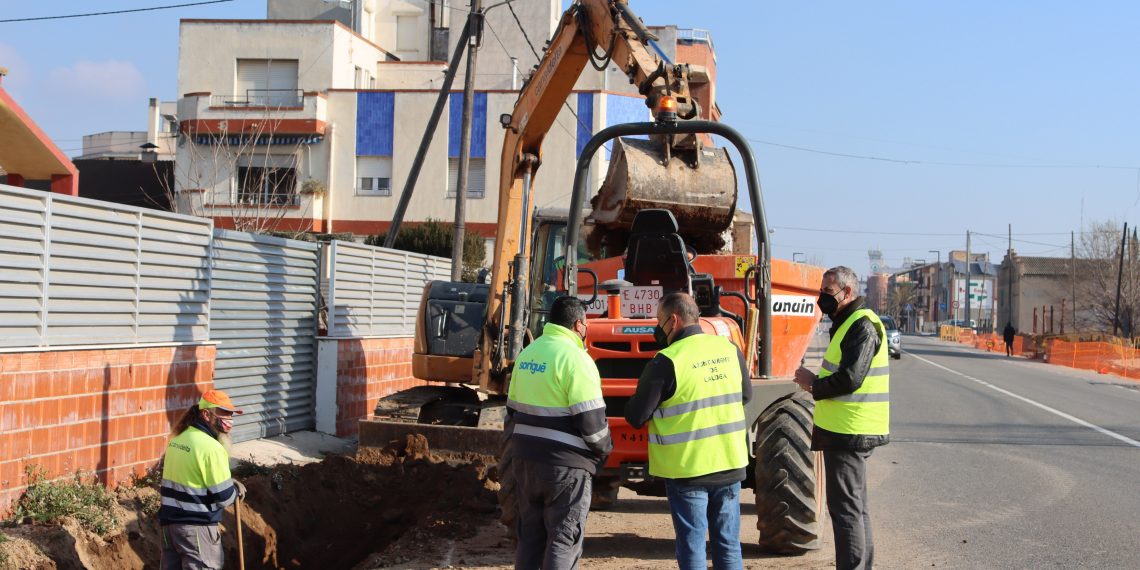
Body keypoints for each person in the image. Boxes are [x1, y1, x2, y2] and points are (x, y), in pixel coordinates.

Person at [625, 292, 752, 570]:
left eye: (659, 321)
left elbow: (636, 416)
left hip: (687, 470)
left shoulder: (666, 360)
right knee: (729, 544)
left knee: (692, 545)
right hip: (729, 464)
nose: (657, 328)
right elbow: (745, 395)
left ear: (673, 320)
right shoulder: (729, 350)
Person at [794, 266, 890, 570]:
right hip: (847, 429)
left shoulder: (861, 325)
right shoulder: (848, 322)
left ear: (847, 292)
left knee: (847, 511)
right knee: (856, 509)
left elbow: (850, 378)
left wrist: (812, 384)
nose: (823, 297)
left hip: (849, 432)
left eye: (828, 291)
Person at [507, 296, 612, 570]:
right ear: (579, 324)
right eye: (586, 324)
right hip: (566, 467)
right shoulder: (577, 359)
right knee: (563, 538)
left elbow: (511, 411)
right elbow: (592, 424)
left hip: (525, 462)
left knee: (530, 536)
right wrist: (605, 450)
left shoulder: (528, 354)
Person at [158, 389, 246, 570]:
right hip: (196, 529)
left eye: (230, 414)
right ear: (206, 414)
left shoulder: (178, 439)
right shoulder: (211, 448)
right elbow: (225, 497)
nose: (228, 420)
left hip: (170, 527)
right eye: (223, 413)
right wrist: (235, 490)